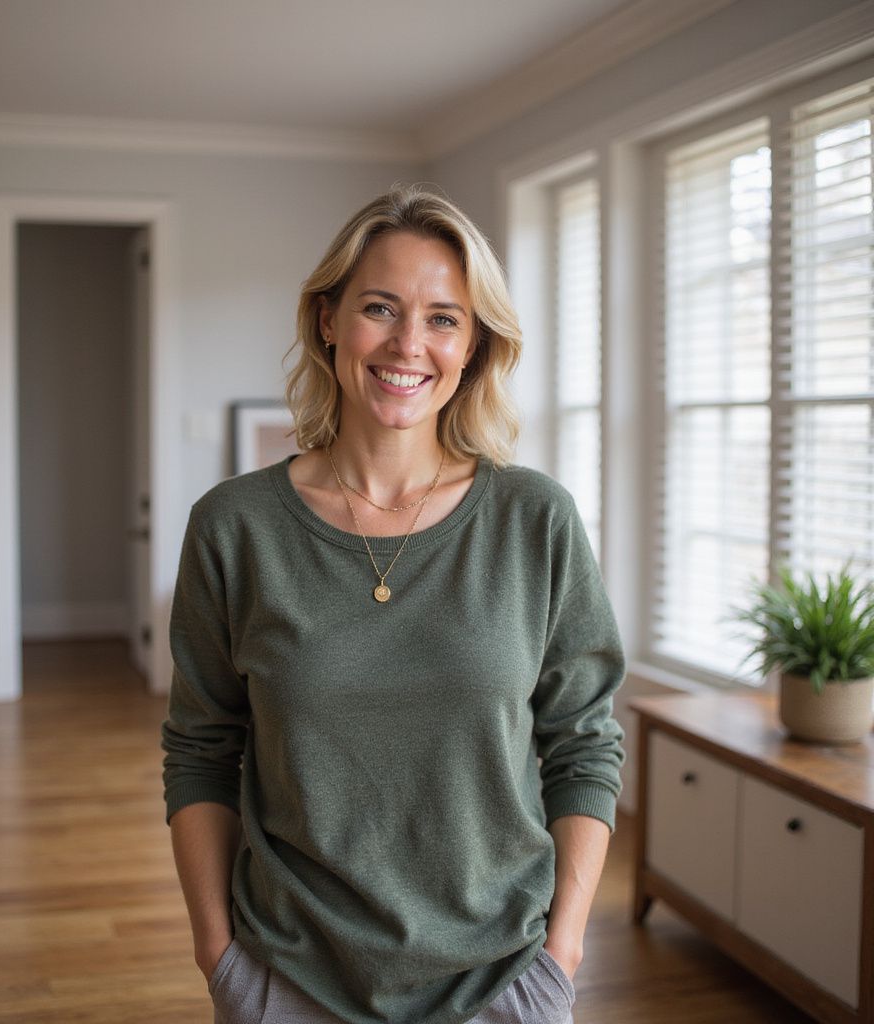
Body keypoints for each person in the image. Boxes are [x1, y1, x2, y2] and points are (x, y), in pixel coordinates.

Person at [161, 185, 625, 1024]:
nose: (410, 343)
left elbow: (583, 742)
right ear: (329, 318)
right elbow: (201, 748)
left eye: (444, 318)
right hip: (289, 978)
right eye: (381, 308)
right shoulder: (234, 527)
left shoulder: (534, 519)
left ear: (475, 342)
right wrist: (218, 956)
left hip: (503, 981)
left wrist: (561, 957)